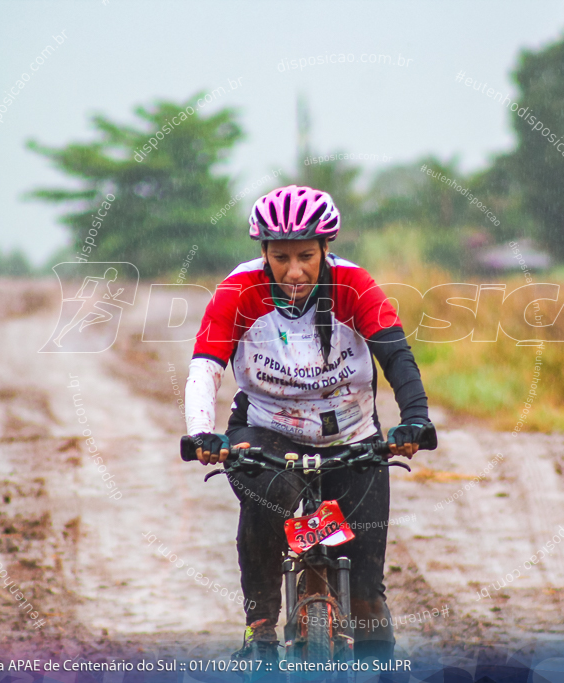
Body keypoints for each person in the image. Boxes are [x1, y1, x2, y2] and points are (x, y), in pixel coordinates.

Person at [184, 185, 436, 665]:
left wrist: (415, 419)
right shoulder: (238, 290)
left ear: (325, 249)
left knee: (366, 591)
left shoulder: (355, 285)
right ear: (263, 252)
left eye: (305, 255)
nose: (293, 270)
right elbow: (206, 366)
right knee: (265, 497)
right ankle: (259, 632)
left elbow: (396, 356)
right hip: (265, 430)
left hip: (351, 433)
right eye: (280, 257)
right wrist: (202, 432)